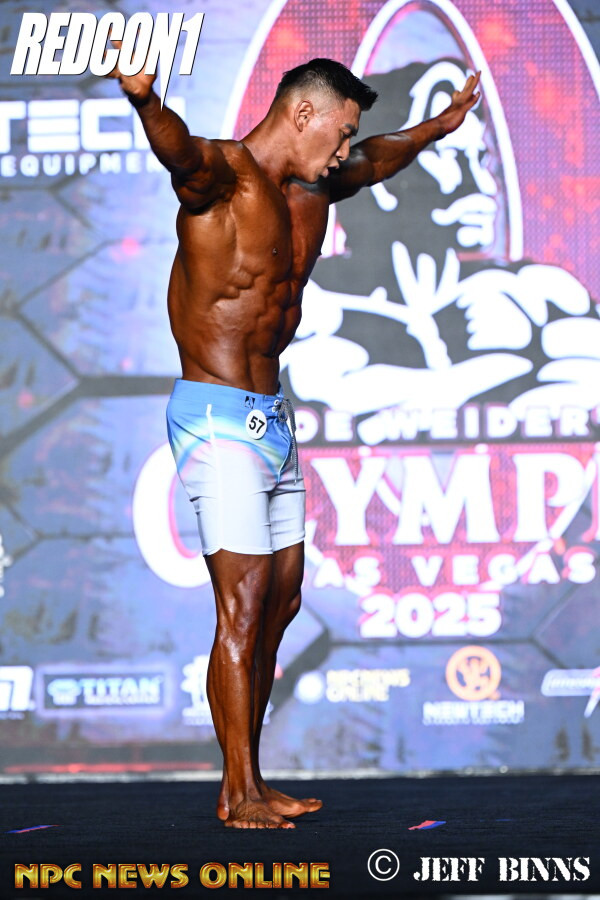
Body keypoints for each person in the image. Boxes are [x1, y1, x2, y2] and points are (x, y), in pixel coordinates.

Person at [108, 53, 480, 829]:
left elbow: (379, 158)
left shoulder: (315, 188)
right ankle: (238, 791)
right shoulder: (223, 180)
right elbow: (182, 156)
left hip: (270, 417)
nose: (345, 149)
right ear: (303, 114)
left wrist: (440, 126)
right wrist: (147, 103)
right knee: (242, 605)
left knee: (281, 601)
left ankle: (250, 781)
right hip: (215, 415)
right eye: (339, 132)